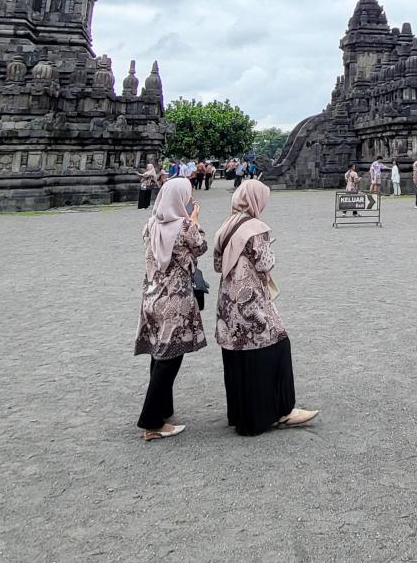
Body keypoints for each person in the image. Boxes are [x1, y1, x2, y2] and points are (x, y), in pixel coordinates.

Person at [213, 180, 317, 434]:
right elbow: (266, 263)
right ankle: (282, 409)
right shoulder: (255, 228)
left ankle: (241, 414)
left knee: (237, 351)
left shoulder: (225, 225)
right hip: (251, 299)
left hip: (228, 300)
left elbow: (217, 264)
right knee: (278, 342)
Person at [134, 178, 207, 441]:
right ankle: (151, 421)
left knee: (159, 354)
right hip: (174, 300)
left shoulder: (151, 223)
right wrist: (194, 218)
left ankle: (164, 408)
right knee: (170, 359)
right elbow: (201, 246)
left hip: (152, 295)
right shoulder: (184, 226)